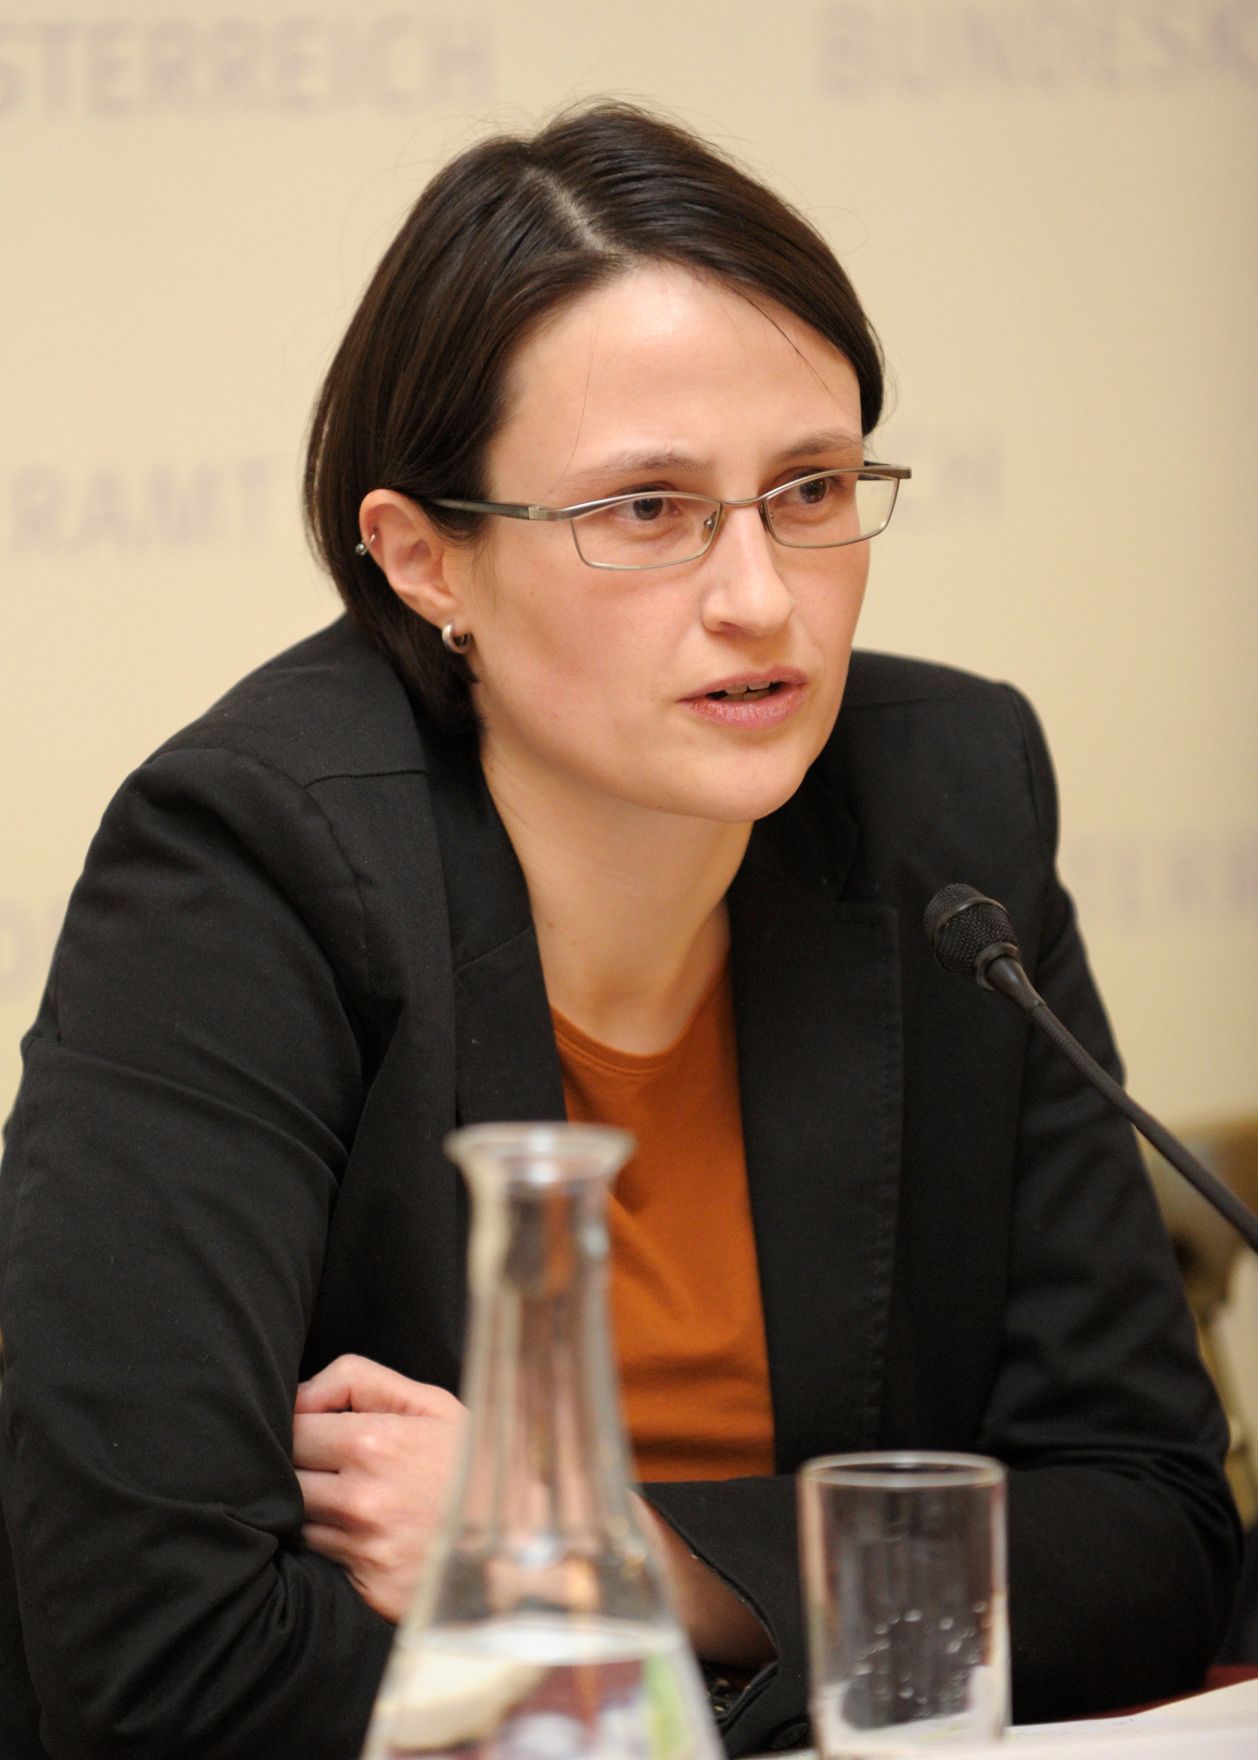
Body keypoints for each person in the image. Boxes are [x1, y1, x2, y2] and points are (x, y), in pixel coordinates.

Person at [0, 102, 1239, 1760]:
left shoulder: (947, 808)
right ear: (424, 560)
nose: (760, 598)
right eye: (646, 508)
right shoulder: (243, 868)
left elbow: (1150, 1529)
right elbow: (161, 1662)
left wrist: (603, 1552)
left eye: (808, 487)